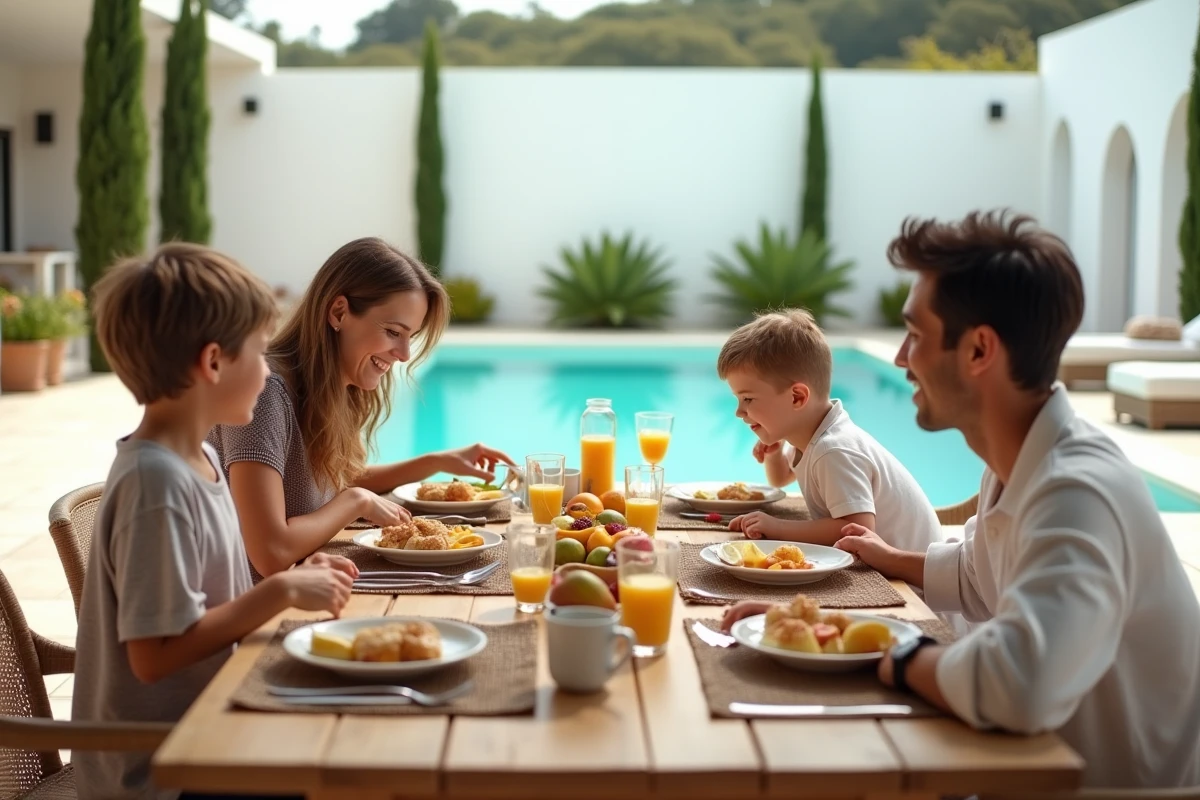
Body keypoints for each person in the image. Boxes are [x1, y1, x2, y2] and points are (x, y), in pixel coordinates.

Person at [738, 211, 1200, 787]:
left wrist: (883, 655)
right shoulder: (1019, 465)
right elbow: (981, 573)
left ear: (979, 350)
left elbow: (1017, 686)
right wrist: (830, 618)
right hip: (1021, 767)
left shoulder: (1077, 494)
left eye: (916, 336)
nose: (902, 358)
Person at [73, 244, 356, 800]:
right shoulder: (156, 485)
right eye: (260, 352)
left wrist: (295, 581)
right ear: (212, 363)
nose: (270, 371)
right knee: (351, 765)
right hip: (164, 774)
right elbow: (154, 657)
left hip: (210, 728)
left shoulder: (197, 459)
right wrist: (279, 590)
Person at [208, 237, 514, 577]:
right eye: (393, 332)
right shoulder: (264, 394)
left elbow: (328, 479)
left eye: (409, 336)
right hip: (251, 617)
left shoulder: (333, 387)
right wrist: (357, 501)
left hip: (304, 589)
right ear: (339, 312)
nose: (404, 354)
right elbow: (270, 552)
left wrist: (436, 462)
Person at [715, 308, 942, 552]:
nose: (739, 412)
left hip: (908, 585)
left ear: (797, 398)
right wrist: (774, 457)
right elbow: (781, 478)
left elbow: (857, 528)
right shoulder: (814, 433)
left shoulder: (833, 449)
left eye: (748, 399)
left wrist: (777, 527)